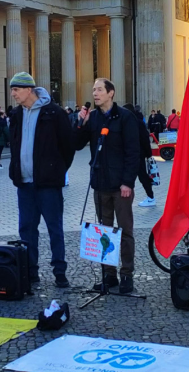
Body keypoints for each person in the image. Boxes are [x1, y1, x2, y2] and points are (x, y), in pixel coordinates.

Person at [8, 73, 74, 288]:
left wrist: (57, 170)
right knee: (26, 229)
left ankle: (60, 271)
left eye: (16, 89)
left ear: (29, 90)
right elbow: (15, 144)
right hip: (24, 184)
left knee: (54, 228)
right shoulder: (16, 114)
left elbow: (68, 145)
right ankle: (31, 271)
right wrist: (15, 171)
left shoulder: (53, 113)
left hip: (48, 184)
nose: (13, 94)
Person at [75, 78, 139, 293]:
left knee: (125, 231)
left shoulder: (125, 117)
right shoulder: (92, 118)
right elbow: (76, 144)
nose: (95, 94)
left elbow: (133, 152)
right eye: (93, 90)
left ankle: (127, 275)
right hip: (100, 184)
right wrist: (80, 122)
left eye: (99, 90)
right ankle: (109, 275)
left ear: (111, 93)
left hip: (121, 186)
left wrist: (127, 182)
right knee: (104, 231)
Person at [132, 106, 157, 208]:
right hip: (135, 154)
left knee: (142, 176)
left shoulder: (137, 123)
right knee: (137, 176)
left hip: (138, 154)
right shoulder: (135, 122)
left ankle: (151, 197)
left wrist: (148, 154)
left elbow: (145, 139)